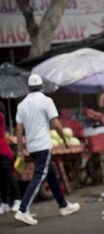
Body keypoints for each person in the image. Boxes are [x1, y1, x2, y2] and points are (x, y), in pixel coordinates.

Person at [14, 74, 80, 226]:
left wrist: (19, 151)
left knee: (51, 174)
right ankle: (23, 210)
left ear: (28, 87)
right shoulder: (46, 101)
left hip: (32, 147)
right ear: (41, 86)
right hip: (43, 145)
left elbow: (18, 130)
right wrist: (65, 140)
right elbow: (56, 124)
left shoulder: (21, 105)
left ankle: (63, 206)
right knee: (39, 175)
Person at [0, 101, 21, 214]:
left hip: (2, 150)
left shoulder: (1, 116)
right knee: (1, 179)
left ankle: (18, 199)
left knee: (9, 176)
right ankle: (4, 203)